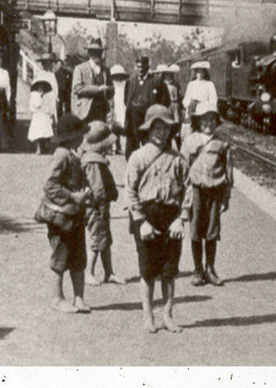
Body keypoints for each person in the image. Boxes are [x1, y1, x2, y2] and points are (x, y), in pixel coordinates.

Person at [125, 104, 187, 331]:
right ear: (148, 131)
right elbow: (130, 191)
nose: (161, 133)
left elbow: (187, 190)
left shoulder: (178, 159)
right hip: (146, 218)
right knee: (148, 271)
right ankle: (148, 315)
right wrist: (141, 221)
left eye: (165, 129)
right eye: (156, 128)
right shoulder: (138, 157)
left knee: (169, 271)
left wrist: (181, 218)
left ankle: (167, 314)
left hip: (171, 218)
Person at [38, 112, 90, 312]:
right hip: (60, 216)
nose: (82, 137)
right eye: (79, 134)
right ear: (72, 137)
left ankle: (79, 297)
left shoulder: (73, 154)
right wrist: (72, 196)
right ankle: (57, 298)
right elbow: (49, 184)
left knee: (78, 257)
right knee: (60, 256)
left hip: (74, 214)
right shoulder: (61, 155)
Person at [183, 105, 233, 285]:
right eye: (204, 119)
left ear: (217, 122)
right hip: (196, 191)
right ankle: (197, 270)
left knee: (212, 230)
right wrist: (184, 195)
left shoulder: (222, 143)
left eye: (212, 119)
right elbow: (183, 169)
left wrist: (226, 197)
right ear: (198, 121)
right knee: (195, 230)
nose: (208, 123)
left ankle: (210, 268)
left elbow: (228, 171)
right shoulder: (189, 141)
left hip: (215, 192)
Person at [79, 117, 119, 283]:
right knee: (97, 239)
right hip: (96, 206)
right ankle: (89, 272)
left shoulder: (94, 159)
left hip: (101, 206)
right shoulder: (93, 162)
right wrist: (104, 199)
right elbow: (98, 188)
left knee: (105, 238)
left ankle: (109, 271)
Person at [124, 54, 169, 155]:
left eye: (142, 66)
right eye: (138, 67)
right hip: (134, 121)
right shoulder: (130, 82)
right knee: (131, 150)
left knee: (150, 148)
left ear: (147, 66)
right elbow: (126, 100)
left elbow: (165, 101)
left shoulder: (156, 81)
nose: (140, 69)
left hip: (149, 121)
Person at [70, 37, 111, 124]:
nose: (97, 54)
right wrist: (98, 89)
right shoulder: (80, 69)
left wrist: (110, 89)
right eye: (94, 51)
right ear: (89, 53)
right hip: (85, 112)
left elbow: (110, 89)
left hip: (101, 112)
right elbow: (77, 89)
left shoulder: (106, 70)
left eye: (100, 51)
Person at [27, 61, 57, 154]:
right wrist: (39, 94)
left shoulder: (52, 75)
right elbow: (34, 103)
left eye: (49, 63)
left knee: (46, 129)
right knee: (37, 130)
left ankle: (45, 146)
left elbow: (54, 89)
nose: (48, 65)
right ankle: (38, 147)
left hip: (48, 99)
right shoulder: (39, 74)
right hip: (38, 111)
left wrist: (53, 102)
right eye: (46, 64)